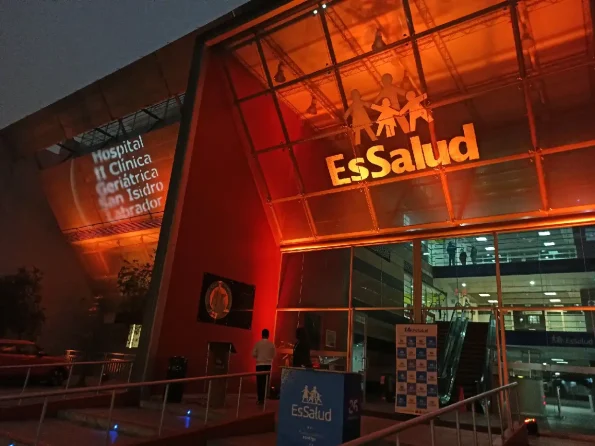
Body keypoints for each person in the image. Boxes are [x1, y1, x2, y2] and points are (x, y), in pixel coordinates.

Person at [252, 328, 276, 405]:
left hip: (259, 364)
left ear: (262, 335)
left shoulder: (258, 344)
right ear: (268, 335)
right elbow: (274, 355)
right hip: (268, 365)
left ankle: (260, 399)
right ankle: (264, 398)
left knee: (259, 382)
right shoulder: (271, 344)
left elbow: (253, 354)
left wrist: (259, 357)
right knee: (266, 382)